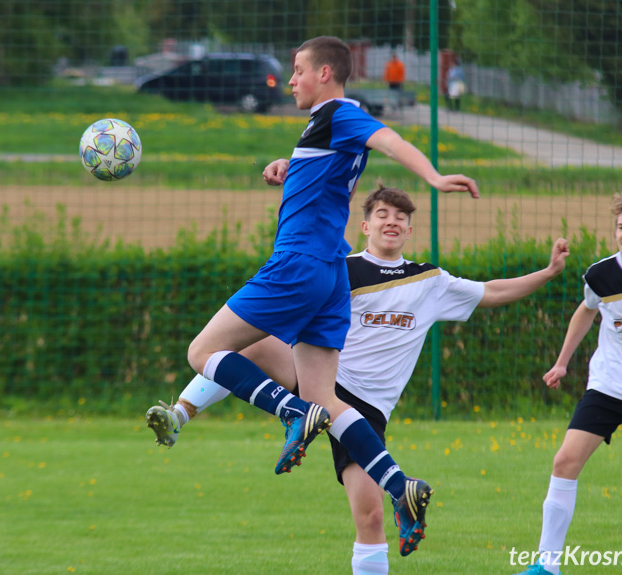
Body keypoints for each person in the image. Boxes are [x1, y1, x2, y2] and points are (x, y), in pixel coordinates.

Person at [161, 35, 478, 560]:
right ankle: (402, 486)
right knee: (327, 400)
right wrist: (287, 169)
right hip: (332, 275)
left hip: (300, 265)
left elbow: (387, 139)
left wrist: (434, 176)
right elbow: (329, 177)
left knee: (203, 352)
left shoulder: (339, 112)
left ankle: (288, 413)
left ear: (326, 73)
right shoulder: (322, 127)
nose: (290, 80)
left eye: (297, 69)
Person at [148, 185, 569, 575]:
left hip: (367, 408)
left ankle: (338, 446)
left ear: (408, 229)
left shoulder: (429, 281)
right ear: (365, 226)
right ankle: (180, 415)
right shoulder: (338, 271)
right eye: (382, 214)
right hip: (322, 381)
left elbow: (492, 292)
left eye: (400, 216)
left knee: (370, 517)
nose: (392, 221)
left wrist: (548, 272)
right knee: (244, 343)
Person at [512, 185, 622, 575]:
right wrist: (562, 363)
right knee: (564, 461)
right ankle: (546, 566)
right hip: (609, 386)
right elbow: (586, 312)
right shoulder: (600, 274)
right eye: (621, 227)